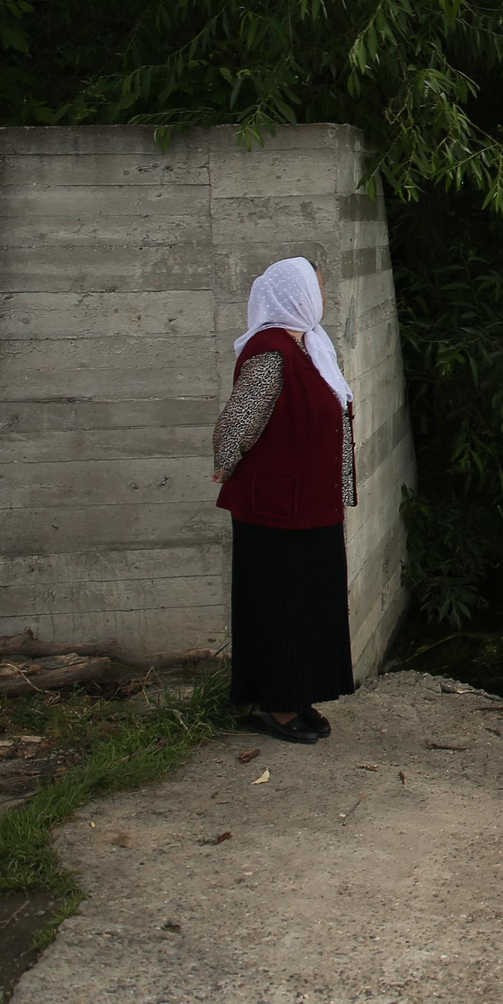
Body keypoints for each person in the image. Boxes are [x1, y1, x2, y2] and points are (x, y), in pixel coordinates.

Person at [210, 257, 357, 744]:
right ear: (293, 294)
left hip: (312, 504)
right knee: (280, 605)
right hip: (275, 509)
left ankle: (298, 696)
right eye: (316, 287)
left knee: (312, 606)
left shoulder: (312, 346)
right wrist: (226, 462)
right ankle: (274, 707)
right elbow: (239, 422)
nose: (324, 297)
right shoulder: (271, 351)